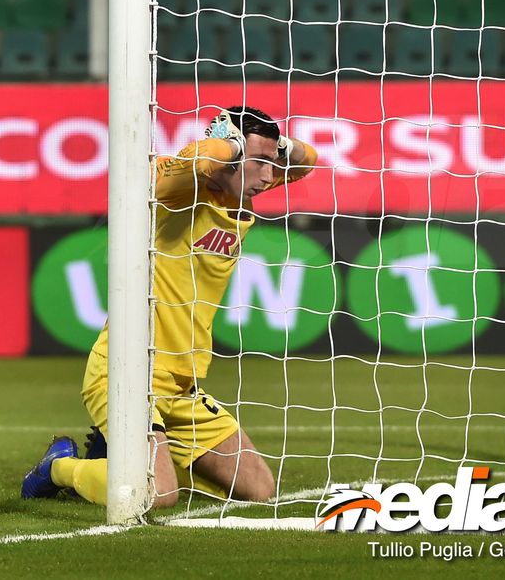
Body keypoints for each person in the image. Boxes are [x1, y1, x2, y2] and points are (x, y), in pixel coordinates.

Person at [22, 106, 318, 508]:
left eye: (272, 162)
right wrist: (232, 145)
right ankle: (59, 467)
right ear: (230, 152)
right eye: (259, 162)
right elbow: (193, 162)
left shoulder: (241, 186)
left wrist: (275, 146)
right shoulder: (182, 190)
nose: (269, 176)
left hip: (182, 387)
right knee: (157, 494)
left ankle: (126, 458)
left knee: (258, 489)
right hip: (127, 371)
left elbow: (307, 161)